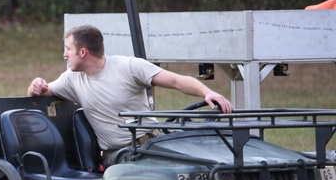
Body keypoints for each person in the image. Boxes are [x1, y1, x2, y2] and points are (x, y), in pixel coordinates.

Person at [27, 24, 234, 167]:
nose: (64, 55)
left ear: (82, 52)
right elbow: (40, 93)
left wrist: (207, 92)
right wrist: (35, 85)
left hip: (153, 143)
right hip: (119, 156)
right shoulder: (72, 78)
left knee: (202, 164)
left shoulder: (129, 66)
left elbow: (176, 80)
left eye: (68, 49)